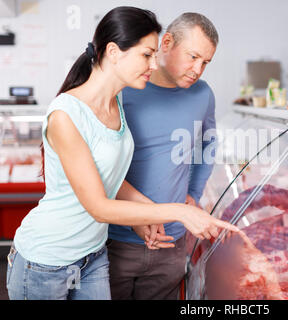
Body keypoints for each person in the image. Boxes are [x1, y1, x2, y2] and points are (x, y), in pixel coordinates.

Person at [6, 6, 237, 301]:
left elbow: (110, 178)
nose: (153, 65)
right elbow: (98, 206)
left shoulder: (114, 104)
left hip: (93, 254)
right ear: (114, 52)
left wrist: (150, 213)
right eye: (146, 55)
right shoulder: (66, 114)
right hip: (47, 261)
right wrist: (179, 211)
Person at [107, 12, 221, 300]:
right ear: (166, 43)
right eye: (193, 56)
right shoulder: (125, 89)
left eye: (205, 62)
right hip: (115, 239)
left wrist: (194, 192)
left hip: (171, 242)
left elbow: (208, 145)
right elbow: (101, 165)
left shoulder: (203, 94)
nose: (198, 69)